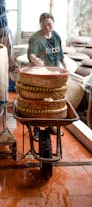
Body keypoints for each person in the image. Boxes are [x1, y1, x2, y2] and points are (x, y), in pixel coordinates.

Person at [27, 12, 67, 141]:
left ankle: (51, 126)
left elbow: (60, 55)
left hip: (54, 76)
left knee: (53, 103)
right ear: (40, 25)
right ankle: (37, 129)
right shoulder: (36, 38)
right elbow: (31, 55)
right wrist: (36, 60)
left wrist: (65, 69)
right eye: (44, 25)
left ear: (53, 24)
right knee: (39, 103)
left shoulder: (56, 36)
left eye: (49, 25)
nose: (47, 28)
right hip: (40, 76)